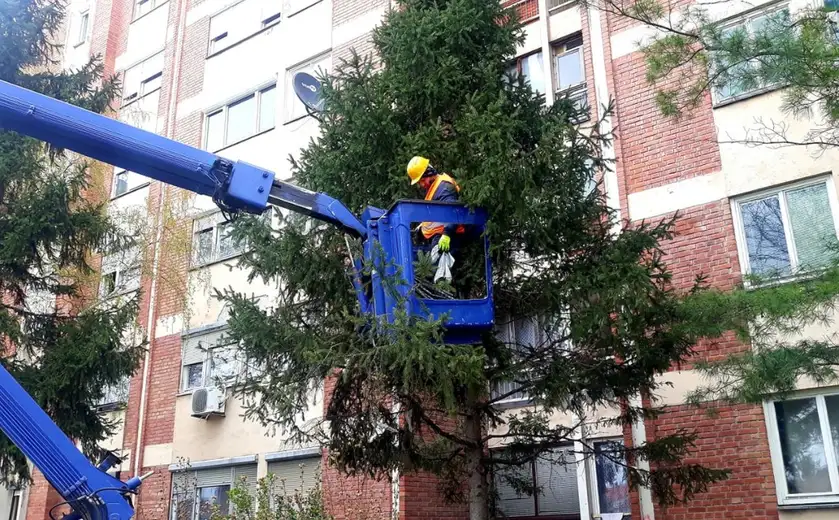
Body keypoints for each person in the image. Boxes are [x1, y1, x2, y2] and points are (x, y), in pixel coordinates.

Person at [406, 156, 463, 252]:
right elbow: (435, 215)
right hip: (439, 235)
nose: (422, 185)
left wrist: (446, 234)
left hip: (446, 236)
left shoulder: (445, 187)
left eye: (423, 181)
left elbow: (453, 211)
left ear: (429, 173)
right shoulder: (435, 188)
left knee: (440, 265)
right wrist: (421, 227)